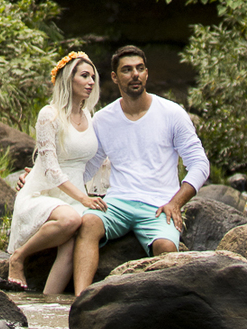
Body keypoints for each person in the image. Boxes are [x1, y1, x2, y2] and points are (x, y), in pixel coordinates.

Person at [70, 43, 210, 297]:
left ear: (147, 74)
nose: (135, 74)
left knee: (166, 247)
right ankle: (81, 301)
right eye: (127, 70)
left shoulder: (172, 113)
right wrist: (43, 176)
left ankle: (162, 306)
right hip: (118, 202)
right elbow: (85, 167)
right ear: (115, 77)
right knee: (89, 223)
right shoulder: (103, 119)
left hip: (159, 204)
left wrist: (176, 203)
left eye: (140, 69)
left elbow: (200, 164)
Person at [5, 51, 106, 294]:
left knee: (72, 244)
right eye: (84, 75)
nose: (91, 81)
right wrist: (83, 199)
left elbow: (98, 162)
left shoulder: (89, 117)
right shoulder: (49, 115)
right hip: (43, 193)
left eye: (93, 76)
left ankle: (48, 305)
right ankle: (18, 258)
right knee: (71, 219)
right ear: (68, 80)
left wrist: (97, 194)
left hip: (74, 195)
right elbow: (50, 166)